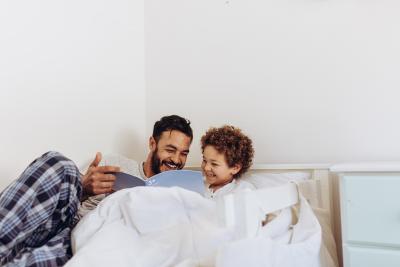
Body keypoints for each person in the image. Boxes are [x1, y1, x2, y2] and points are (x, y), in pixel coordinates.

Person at [0, 115, 193, 267]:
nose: (176, 159)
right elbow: (63, 191)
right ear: (152, 143)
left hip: (90, 243)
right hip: (66, 221)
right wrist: (83, 187)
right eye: (170, 149)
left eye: (184, 153)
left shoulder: (180, 192)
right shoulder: (116, 163)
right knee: (60, 164)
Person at [200, 125, 255, 199]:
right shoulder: (196, 184)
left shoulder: (243, 190)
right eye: (204, 160)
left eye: (214, 164)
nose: (206, 168)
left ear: (235, 168)